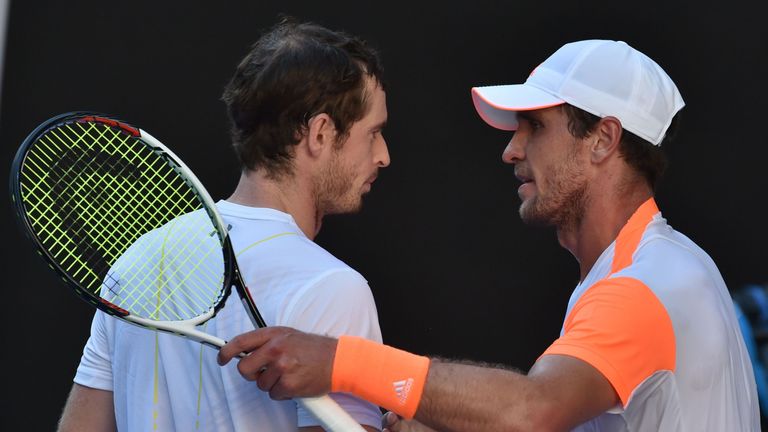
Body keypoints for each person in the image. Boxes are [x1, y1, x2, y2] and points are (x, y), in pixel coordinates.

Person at [217, 39, 761, 431]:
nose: (511, 149)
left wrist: (340, 361)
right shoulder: (656, 267)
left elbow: (532, 411)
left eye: (535, 127)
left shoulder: (643, 287)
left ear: (603, 140)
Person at [58, 20, 389, 432]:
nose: (383, 155)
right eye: (373, 133)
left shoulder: (134, 263)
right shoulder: (336, 288)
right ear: (320, 133)